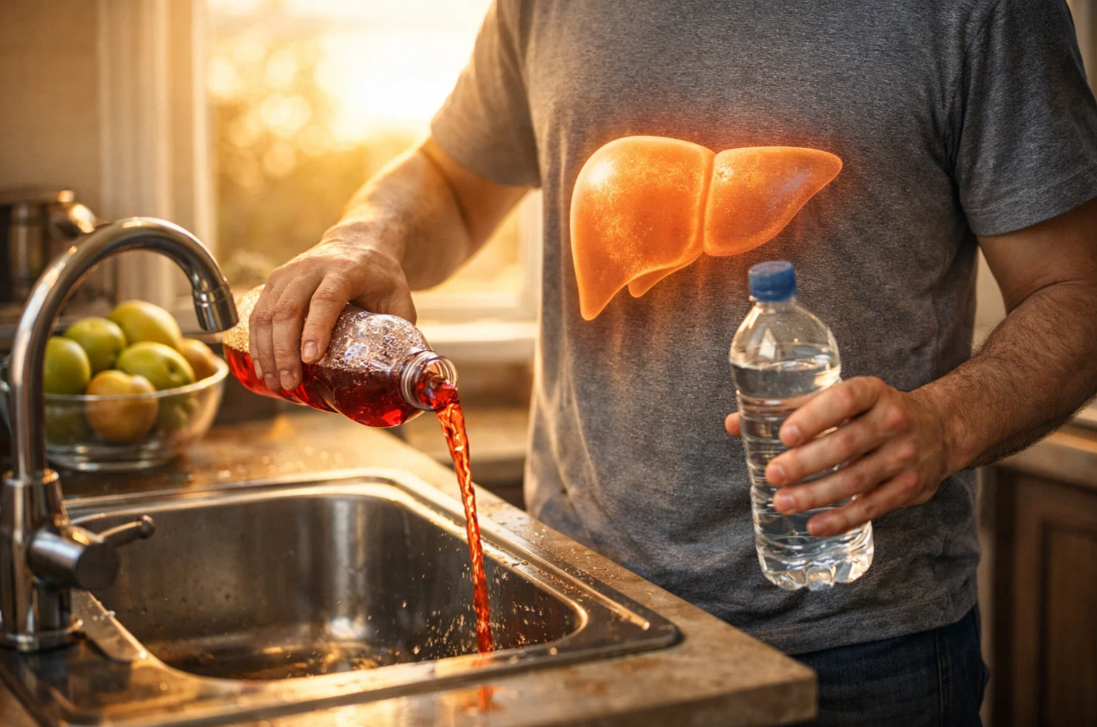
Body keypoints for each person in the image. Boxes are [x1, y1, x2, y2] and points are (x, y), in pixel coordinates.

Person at [246, 1, 1097, 724]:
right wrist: (368, 233)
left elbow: (1076, 288)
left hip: (857, 650)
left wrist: (943, 425)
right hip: (582, 614)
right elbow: (452, 181)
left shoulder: (979, 12)